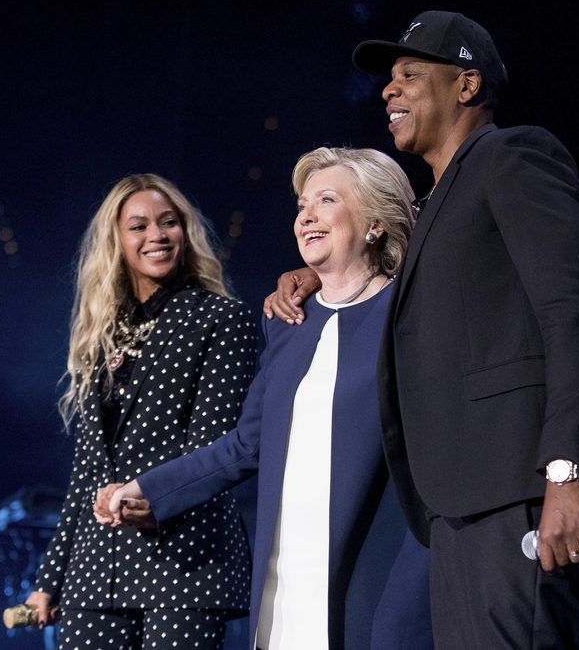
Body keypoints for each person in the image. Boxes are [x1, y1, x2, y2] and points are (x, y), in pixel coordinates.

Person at [264, 11, 579, 650]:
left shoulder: (514, 156)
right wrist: (315, 278)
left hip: (522, 491)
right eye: (388, 81)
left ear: (466, 85)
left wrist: (567, 472)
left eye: (409, 74)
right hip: (453, 510)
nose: (388, 90)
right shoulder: (439, 200)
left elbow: (571, 313)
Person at [100, 148, 433, 650]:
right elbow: (246, 445)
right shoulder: (287, 321)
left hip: (378, 570)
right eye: (302, 205)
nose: (308, 215)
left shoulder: (413, 313)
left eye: (327, 199)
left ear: (376, 223)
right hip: (286, 575)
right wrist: (150, 489)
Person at [25, 174, 257, 649]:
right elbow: (88, 470)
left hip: (183, 559)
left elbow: (215, 448)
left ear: (185, 232)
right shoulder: (101, 334)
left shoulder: (221, 319)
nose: (157, 235)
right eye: (139, 226)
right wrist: (50, 577)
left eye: (168, 222)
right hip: (96, 569)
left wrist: (151, 501)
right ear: (116, 241)